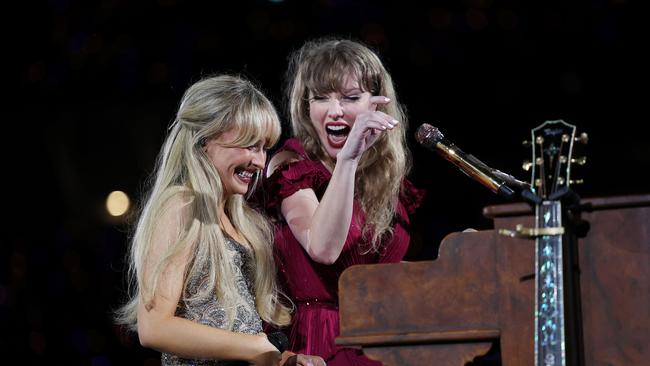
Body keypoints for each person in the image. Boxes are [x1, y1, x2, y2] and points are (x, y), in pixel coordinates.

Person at [115, 75, 324, 366]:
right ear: (203, 141)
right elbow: (154, 327)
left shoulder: (242, 221)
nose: (261, 162)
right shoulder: (182, 205)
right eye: (250, 145)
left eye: (264, 148)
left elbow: (238, 330)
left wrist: (283, 359)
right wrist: (254, 347)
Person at [262, 39, 425, 365]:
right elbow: (323, 248)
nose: (335, 111)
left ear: (377, 104)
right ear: (306, 105)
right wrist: (348, 158)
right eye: (321, 98)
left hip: (385, 342)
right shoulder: (291, 165)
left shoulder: (384, 179)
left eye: (350, 98)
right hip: (320, 344)